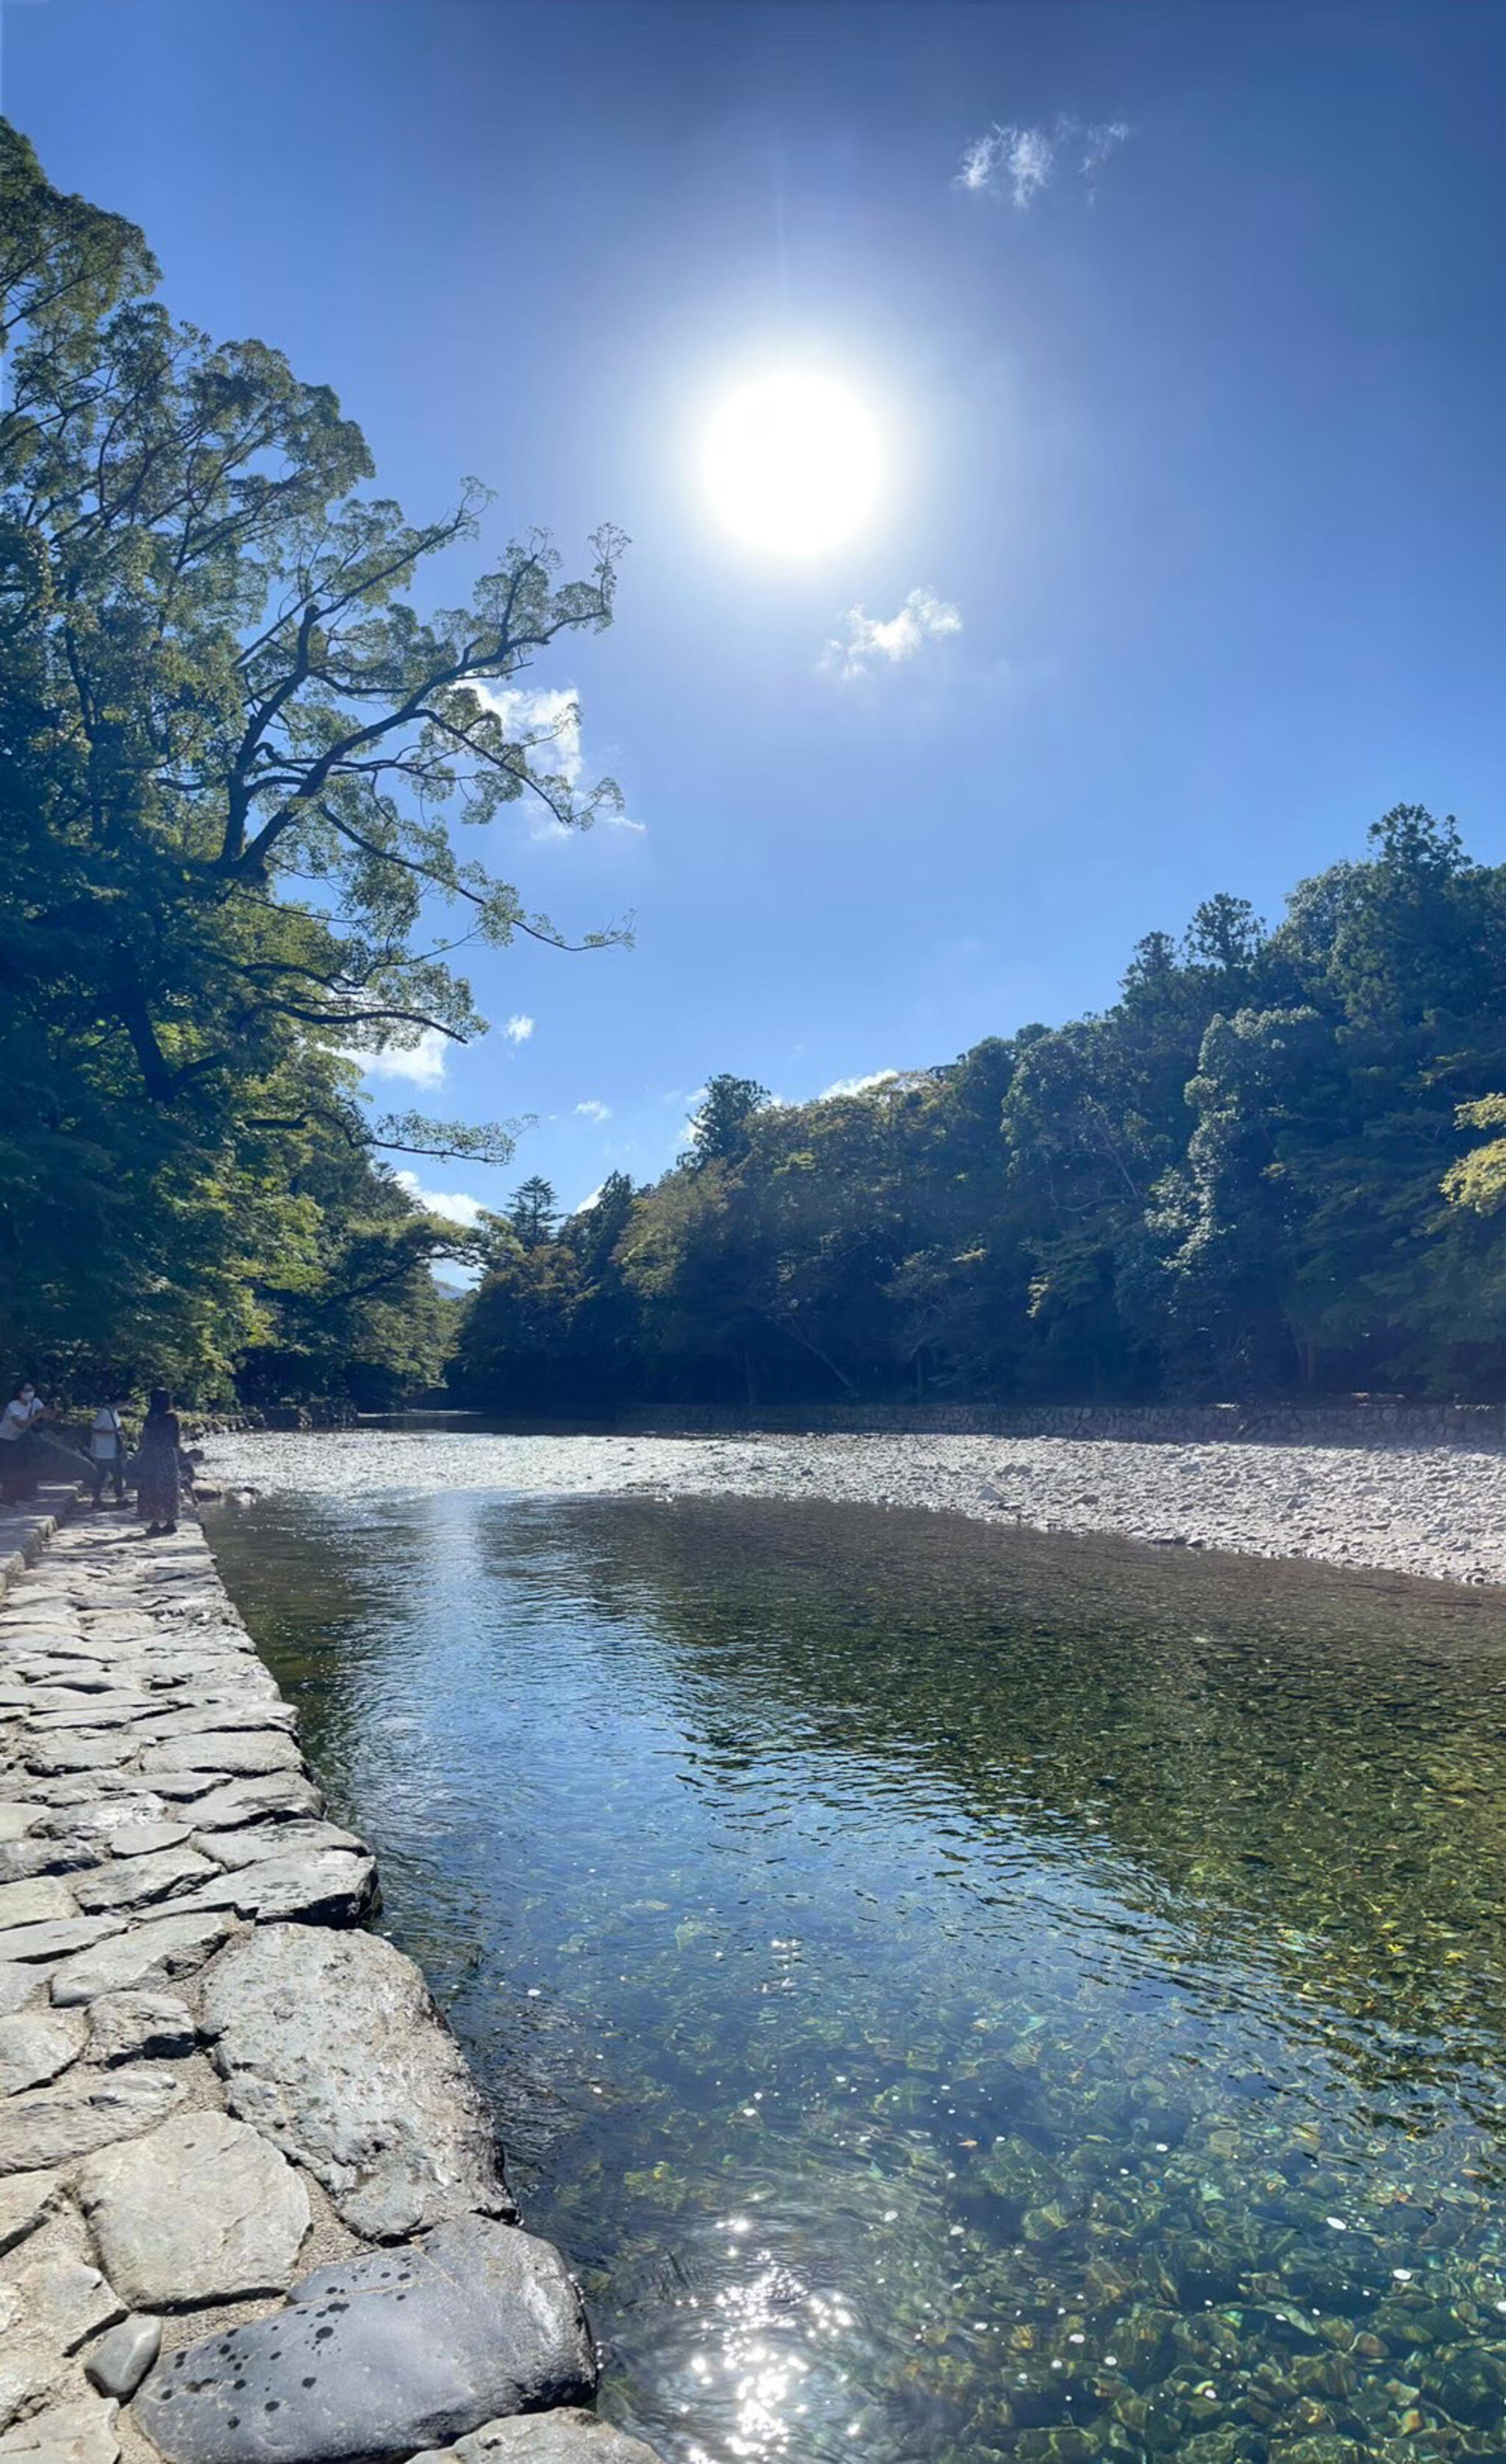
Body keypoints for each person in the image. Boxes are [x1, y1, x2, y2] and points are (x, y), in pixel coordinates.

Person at [134, 1388, 182, 1537]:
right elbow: (176, 1440)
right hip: (168, 1455)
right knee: (169, 1487)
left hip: (151, 1455)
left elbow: (145, 1438)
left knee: (151, 1487)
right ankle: (170, 1521)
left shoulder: (150, 1417)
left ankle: (154, 1523)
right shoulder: (173, 1418)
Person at [0, 1380, 52, 1502]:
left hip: (20, 1440)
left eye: (31, 1390)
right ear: (19, 1392)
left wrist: (53, 1411)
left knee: (22, 1466)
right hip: (5, 1439)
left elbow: (47, 1418)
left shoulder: (35, 1402)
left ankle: (22, 1494)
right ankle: (8, 1497)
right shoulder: (13, 1406)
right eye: (26, 1390)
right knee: (8, 1467)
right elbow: (22, 1425)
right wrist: (38, 1415)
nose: (29, 1393)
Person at [88, 1399, 129, 1509]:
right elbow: (95, 1429)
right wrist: (112, 1432)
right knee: (102, 1475)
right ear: (119, 1401)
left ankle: (120, 1498)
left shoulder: (114, 1412)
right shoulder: (105, 1412)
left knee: (118, 1474)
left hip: (113, 1450)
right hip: (103, 1450)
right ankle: (96, 1499)